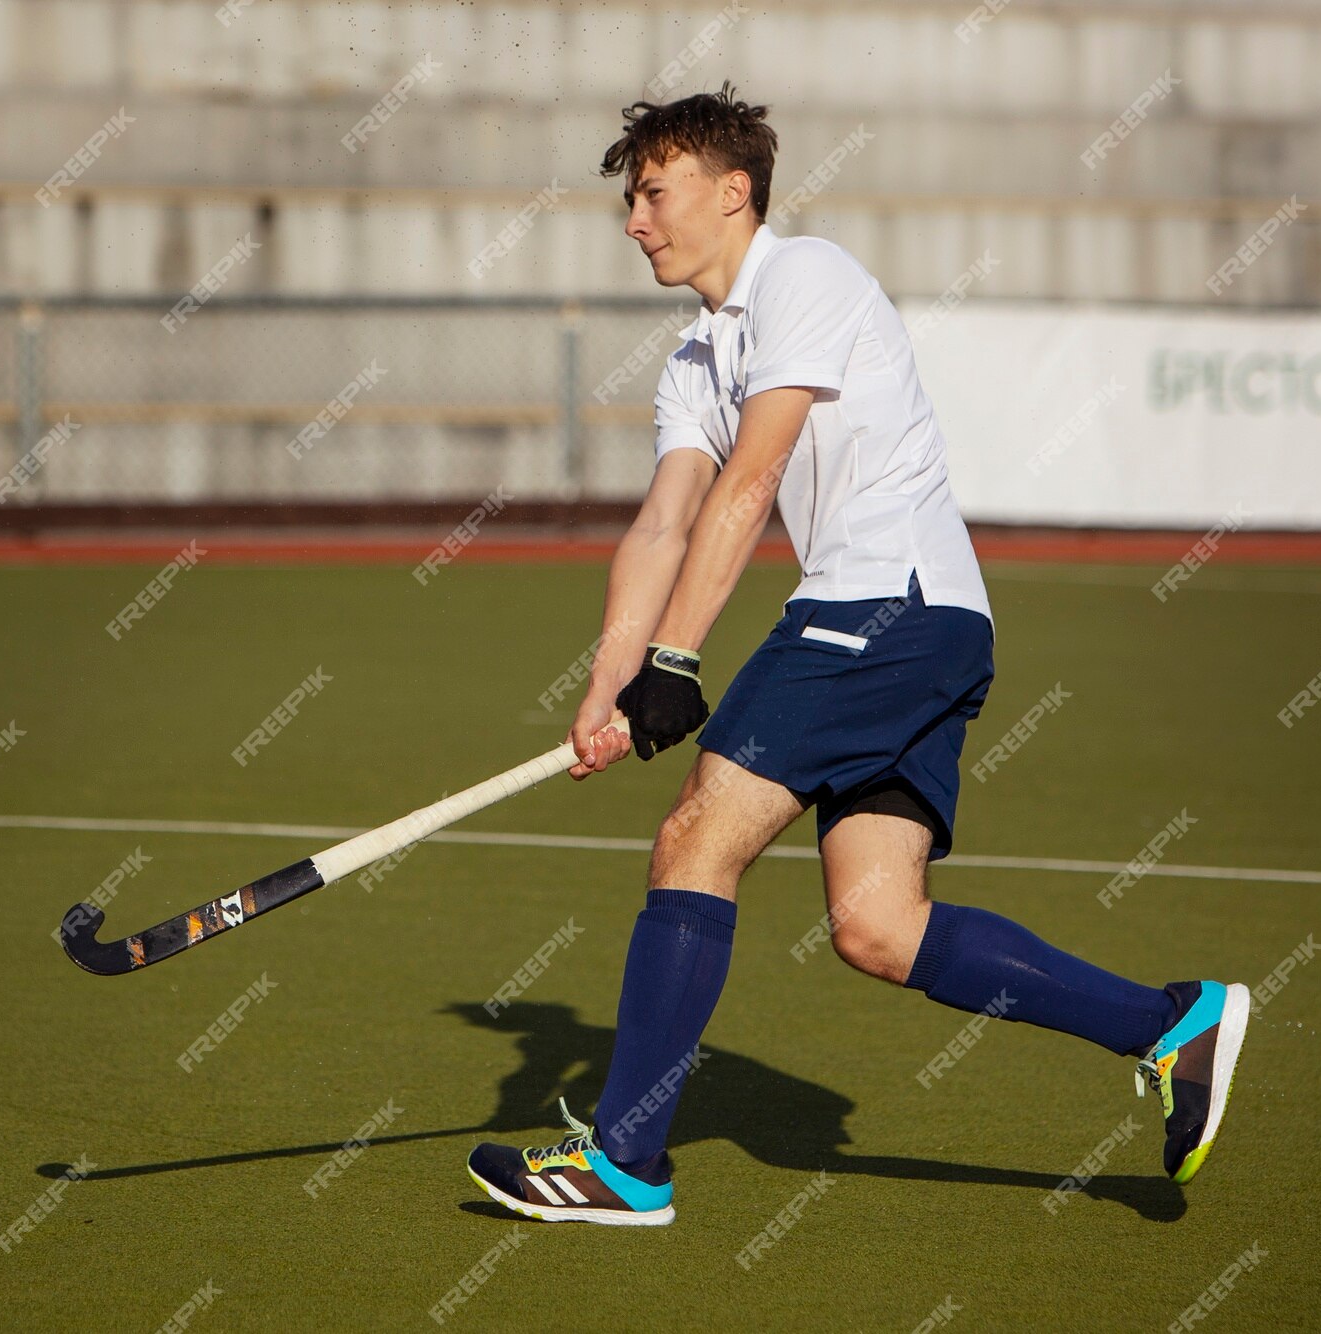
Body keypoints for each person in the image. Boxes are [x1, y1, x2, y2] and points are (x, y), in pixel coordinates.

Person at [465, 86, 1248, 1226]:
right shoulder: (695, 358)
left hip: (882, 609)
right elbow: (662, 525)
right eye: (629, 198)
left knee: (692, 840)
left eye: (651, 191)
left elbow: (749, 481)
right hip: (917, 626)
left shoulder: (807, 279)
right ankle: (1169, 1024)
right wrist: (607, 687)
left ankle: (625, 1163)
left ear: (732, 191)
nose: (633, 219)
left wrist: (676, 660)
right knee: (878, 925)